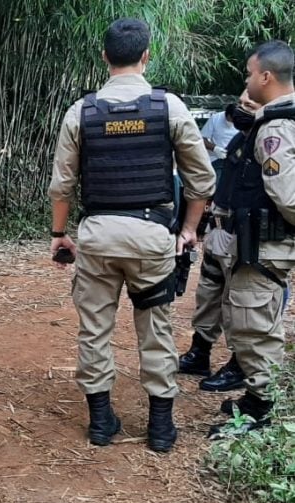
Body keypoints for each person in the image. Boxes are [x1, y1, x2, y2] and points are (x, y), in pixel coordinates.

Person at [48, 18, 215, 453]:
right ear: (147, 56)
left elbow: (62, 185)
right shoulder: (169, 108)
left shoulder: (80, 112)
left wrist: (59, 234)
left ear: (104, 56)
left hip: (98, 237)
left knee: (94, 330)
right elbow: (202, 180)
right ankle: (160, 430)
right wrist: (189, 230)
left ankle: (101, 424)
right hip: (152, 238)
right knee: (156, 330)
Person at [210, 40, 295, 435]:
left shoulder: (275, 128)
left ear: (266, 76)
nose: (246, 79)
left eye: (249, 72)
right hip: (254, 247)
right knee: (246, 321)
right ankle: (254, 398)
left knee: (256, 327)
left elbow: (288, 194)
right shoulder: (270, 120)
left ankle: (261, 412)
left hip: (263, 247)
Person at [179, 91, 262, 392]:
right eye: (241, 106)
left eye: (249, 106)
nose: (241, 110)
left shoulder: (269, 143)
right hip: (219, 229)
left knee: (238, 303)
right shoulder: (241, 142)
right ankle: (199, 353)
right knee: (209, 294)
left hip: (246, 237)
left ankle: (240, 365)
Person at [201, 103, 239, 182]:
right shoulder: (216, 118)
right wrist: (215, 148)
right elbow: (201, 139)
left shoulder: (240, 120)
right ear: (226, 114)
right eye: (230, 119)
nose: (231, 122)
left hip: (234, 158)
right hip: (216, 158)